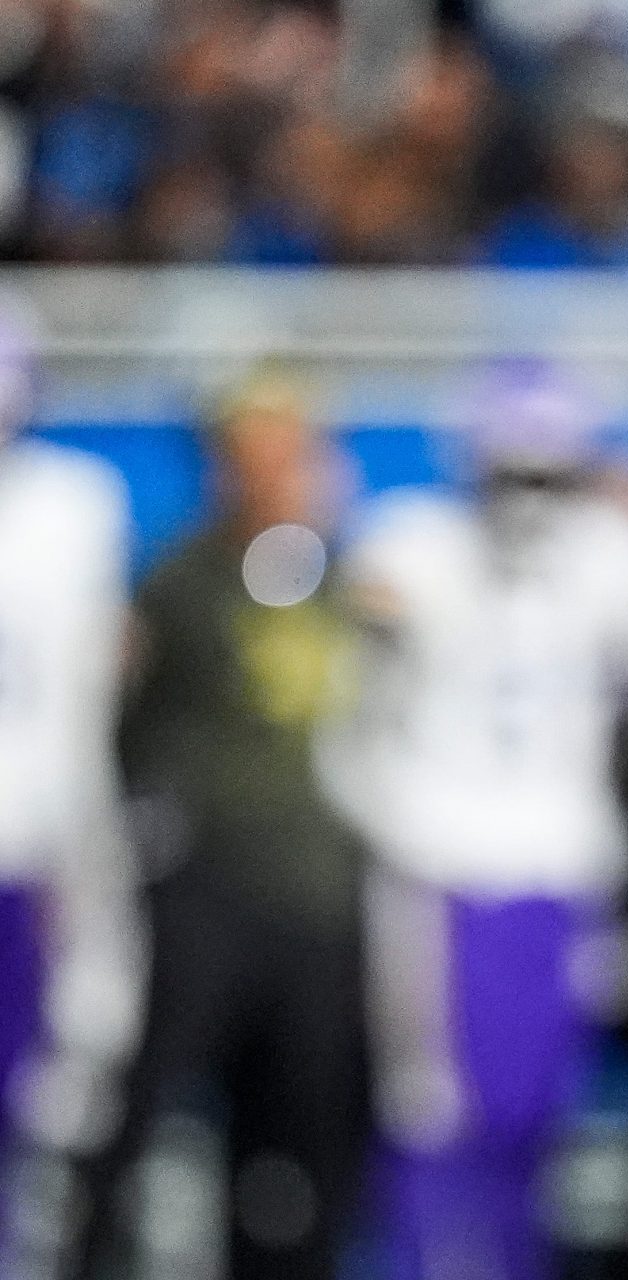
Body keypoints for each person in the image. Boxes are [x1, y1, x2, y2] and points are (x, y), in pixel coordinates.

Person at [319, 361, 628, 1280]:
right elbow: (353, 644)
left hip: (561, 868)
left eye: (549, 477)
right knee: (433, 1111)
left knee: (539, 1111)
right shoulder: (413, 547)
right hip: (442, 865)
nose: (528, 501)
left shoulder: (614, 557)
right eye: (510, 475)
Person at [78, 371, 368, 1280]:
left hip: (319, 894)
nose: (279, 469)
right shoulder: (177, 584)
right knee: (143, 1107)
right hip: (204, 890)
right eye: (258, 450)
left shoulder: (345, 577)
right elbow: (124, 734)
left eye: (292, 447)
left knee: (300, 1130)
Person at [0, 304, 141, 1268]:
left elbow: (80, 723)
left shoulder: (73, 504)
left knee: (40, 1116)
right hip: (40, 835)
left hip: (34, 850)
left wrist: (99, 930)